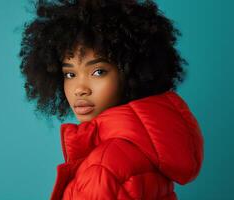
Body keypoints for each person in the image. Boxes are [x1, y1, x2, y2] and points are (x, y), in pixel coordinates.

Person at [18, 0, 204, 199]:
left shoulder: (103, 166)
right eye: (70, 74)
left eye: (98, 72)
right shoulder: (146, 149)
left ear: (132, 73)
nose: (80, 89)